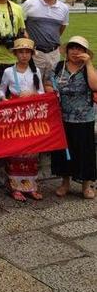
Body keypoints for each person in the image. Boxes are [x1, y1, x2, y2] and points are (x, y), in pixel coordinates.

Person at [44, 36, 97, 199]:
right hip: (62, 116)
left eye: (80, 48)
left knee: (85, 151)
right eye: (72, 48)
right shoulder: (59, 66)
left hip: (84, 117)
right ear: (67, 51)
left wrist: (88, 64)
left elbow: (95, 86)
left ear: (86, 52)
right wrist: (50, 90)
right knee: (63, 151)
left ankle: (86, 185)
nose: (76, 51)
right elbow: (48, 82)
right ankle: (65, 182)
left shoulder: (88, 68)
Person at [0, 38, 44, 201]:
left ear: (31, 54)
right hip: (15, 116)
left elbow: (41, 93)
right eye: (21, 52)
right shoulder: (9, 72)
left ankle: (30, 186)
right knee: (15, 151)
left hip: (31, 116)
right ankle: (14, 186)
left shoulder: (36, 71)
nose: (24, 55)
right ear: (16, 54)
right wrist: (5, 100)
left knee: (31, 152)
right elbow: (1, 90)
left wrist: (31, 94)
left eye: (27, 52)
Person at [22, 0, 69, 77]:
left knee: (51, 84)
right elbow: (21, 26)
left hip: (54, 54)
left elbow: (61, 28)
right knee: (34, 84)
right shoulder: (29, 4)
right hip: (35, 53)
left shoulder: (64, 8)